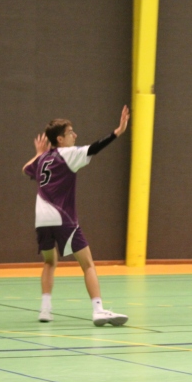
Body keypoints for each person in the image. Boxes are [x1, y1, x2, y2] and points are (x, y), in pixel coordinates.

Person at [22, 106, 130, 327]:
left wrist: (38, 153)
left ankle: (45, 310)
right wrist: (117, 132)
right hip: (63, 218)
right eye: (71, 132)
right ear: (60, 139)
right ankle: (98, 310)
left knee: (50, 262)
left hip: (41, 219)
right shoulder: (68, 154)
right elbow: (94, 148)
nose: (75, 135)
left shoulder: (43, 159)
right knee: (88, 264)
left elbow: (26, 169)